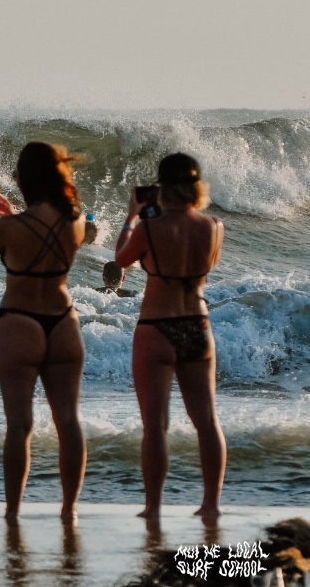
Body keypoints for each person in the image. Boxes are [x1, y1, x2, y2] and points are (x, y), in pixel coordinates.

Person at [0, 142, 87, 522]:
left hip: (20, 322)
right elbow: (46, 231)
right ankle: (69, 511)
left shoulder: (8, 226)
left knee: (19, 425)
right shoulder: (77, 220)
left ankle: (13, 513)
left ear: (23, 178)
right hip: (64, 321)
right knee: (68, 421)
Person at [115, 153, 225, 523]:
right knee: (207, 421)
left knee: (156, 426)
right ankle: (210, 505)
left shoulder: (149, 227)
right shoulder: (213, 226)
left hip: (157, 327)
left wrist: (132, 216)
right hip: (198, 324)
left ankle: (154, 508)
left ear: (161, 187)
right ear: (196, 186)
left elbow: (121, 259)